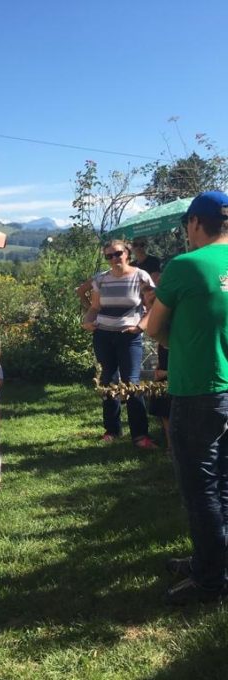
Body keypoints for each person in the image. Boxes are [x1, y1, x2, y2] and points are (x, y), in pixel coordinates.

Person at [147, 190, 228, 605]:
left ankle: (210, 582)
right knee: (225, 486)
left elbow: (152, 327)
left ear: (196, 223)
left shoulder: (184, 265)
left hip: (199, 391)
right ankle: (210, 563)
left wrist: (174, 337)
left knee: (201, 491)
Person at [82, 240, 157, 448]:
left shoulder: (141, 276)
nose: (114, 259)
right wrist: (87, 321)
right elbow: (95, 307)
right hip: (103, 335)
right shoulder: (101, 279)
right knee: (108, 380)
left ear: (127, 253)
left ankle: (141, 435)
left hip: (129, 337)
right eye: (109, 256)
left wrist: (139, 327)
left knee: (132, 383)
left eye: (117, 254)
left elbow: (154, 305)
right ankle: (112, 430)